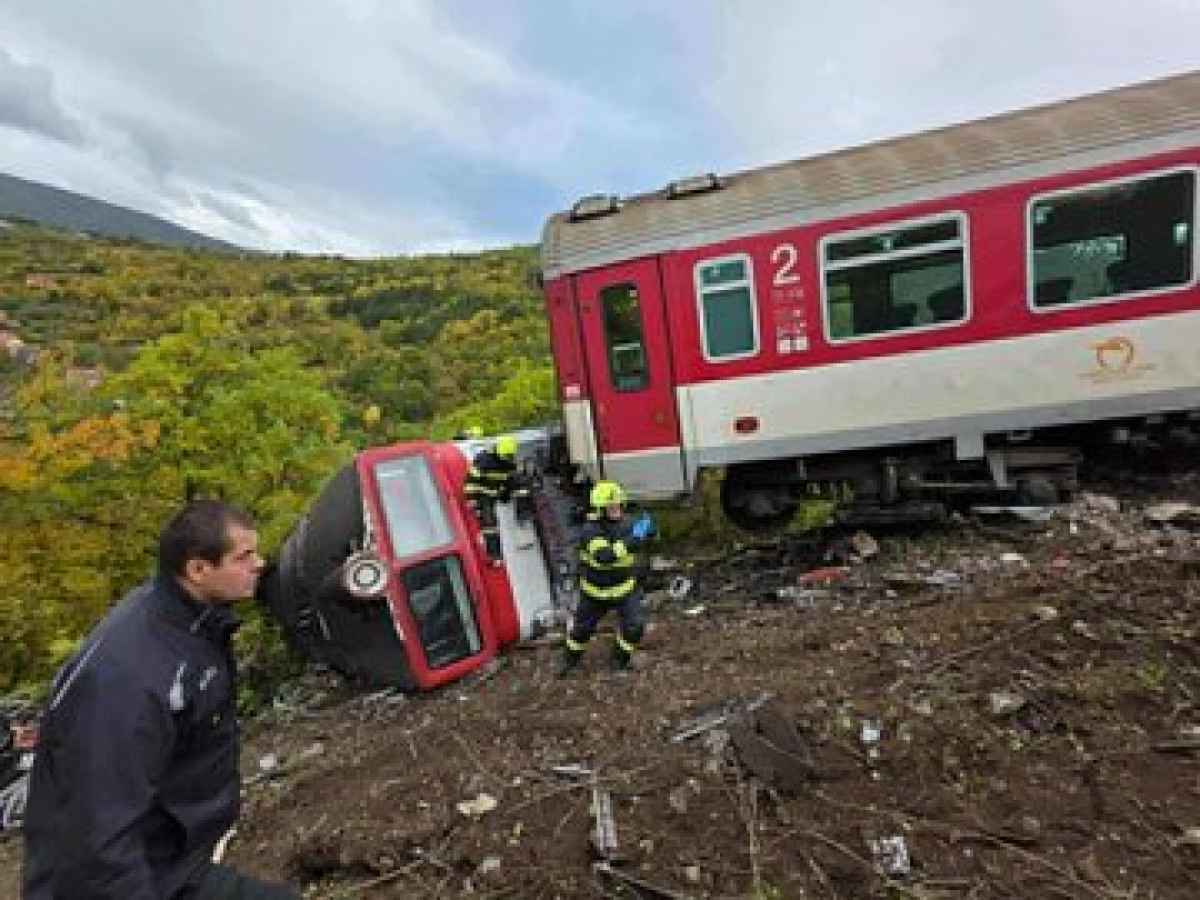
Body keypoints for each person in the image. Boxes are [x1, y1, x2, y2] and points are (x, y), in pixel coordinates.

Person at [22, 498, 298, 900]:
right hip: (113, 879)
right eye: (244, 556)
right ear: (198, 570)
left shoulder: (192, 624)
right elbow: (100, 831)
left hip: (169, 857)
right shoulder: (130, 677)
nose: (259, 564)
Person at [558, 480, 654, 676]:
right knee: (581, 632)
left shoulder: (627, 523)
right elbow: (604, 556)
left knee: (635, 627)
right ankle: (568, 661)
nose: (616, 510)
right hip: (594, 593)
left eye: (618, 505)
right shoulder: (590, 530)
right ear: (599, 509)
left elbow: (645, 539)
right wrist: (633, 540)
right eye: (611, 507)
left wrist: (649, 531)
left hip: (625, 589)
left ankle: (619, 660)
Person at [463, 434, 529, 560]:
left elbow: (513, 476)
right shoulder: (484, 460)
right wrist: (471, 499)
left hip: (499, 490)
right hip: (484, 495)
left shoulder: (509, 460)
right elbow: (470, 482)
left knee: (522, 488)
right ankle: (494, 554)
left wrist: (508, 490)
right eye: (506, 456)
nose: (508, 459)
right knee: (489, 523)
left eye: (509, 456)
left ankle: (522, 514)